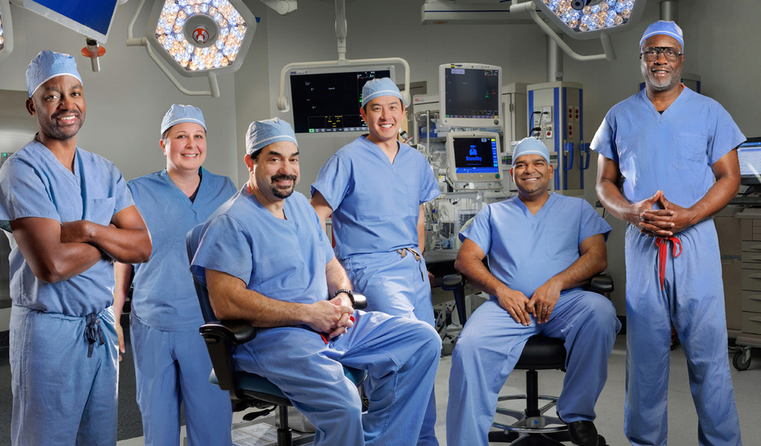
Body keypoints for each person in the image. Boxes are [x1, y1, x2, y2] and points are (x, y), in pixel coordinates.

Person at [190, 118, 441, 446]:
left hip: (330, 324)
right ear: (251, 162)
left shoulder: (299, 206)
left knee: (423, 341)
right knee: (346, 406)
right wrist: (308, 314)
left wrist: (344, 298)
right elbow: (226, 303)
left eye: (293, 158)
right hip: (276, 340)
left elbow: (331, 263)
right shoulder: (231, 222)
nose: (287, 169)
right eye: (274, 158)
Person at [591, 20, 743, 446]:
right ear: (641, 59)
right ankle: (644, 442)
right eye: (652, 52)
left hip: (695, 244)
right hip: (642, 244)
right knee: (644, 357)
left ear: (681, 59)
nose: (660, 59)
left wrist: (691, 215)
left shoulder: (710, 112)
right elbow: (604, 183)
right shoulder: (620, 115)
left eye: (669, 52)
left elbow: (728, 177)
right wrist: (631, 212)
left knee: (708, 355)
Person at [0, 50, 152, 445]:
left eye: (75, 92)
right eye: (52, 95)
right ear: (33, 105)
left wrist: (85, 231)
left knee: (98, 439)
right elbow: (51, 265)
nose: (67, 104)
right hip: (48, 335)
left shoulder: (103, 170)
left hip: (99, 331)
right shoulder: (22, 170)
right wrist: (112, 238)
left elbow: (144, 245)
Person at [446, 138, 621, 446]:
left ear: (550, 171)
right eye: (522, 165)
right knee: (469, 345)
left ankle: (577, 413)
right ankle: (467, 441)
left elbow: (597, 257)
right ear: (513, 173)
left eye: (538, 163)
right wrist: (502, 290)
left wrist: (556, 284)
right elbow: (466, 259)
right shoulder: (493, 214)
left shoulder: (576, 209)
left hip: (565, 303)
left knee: (601, 312)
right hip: (507, 308)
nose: (530, 170)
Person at [310, 77, 441, 445]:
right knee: (403, 356)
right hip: (370, 268)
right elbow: (315, 215)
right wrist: (332, 271)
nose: (386, 116)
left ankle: (423, 439)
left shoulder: (416, 161)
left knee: (425, 358)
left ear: (403, 113)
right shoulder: (347, 159)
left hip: (411, 268)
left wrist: (420, 260)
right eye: (377, 108)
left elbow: (416, 215)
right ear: (364, 114)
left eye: (393, 108)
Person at [113, 105, 236, 445]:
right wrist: (114, 315)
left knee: (212, 425)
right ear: (163, 144)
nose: (190, 144)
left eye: (198, 136)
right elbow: (122, 259)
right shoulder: (135, 192)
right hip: (152, 323)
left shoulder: (225, 190)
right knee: (158, 425)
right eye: (180, 136)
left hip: (208, 327)